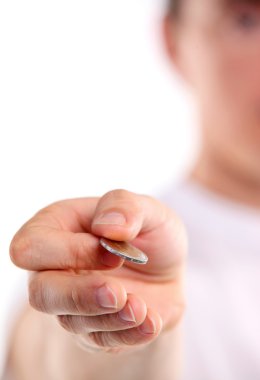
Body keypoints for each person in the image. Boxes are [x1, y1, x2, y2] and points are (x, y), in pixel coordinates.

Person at [4, 0, 260, 379]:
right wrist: (109, 328)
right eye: (245, 21)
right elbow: (53, 355)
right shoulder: (144, 258)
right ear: (174, 44)